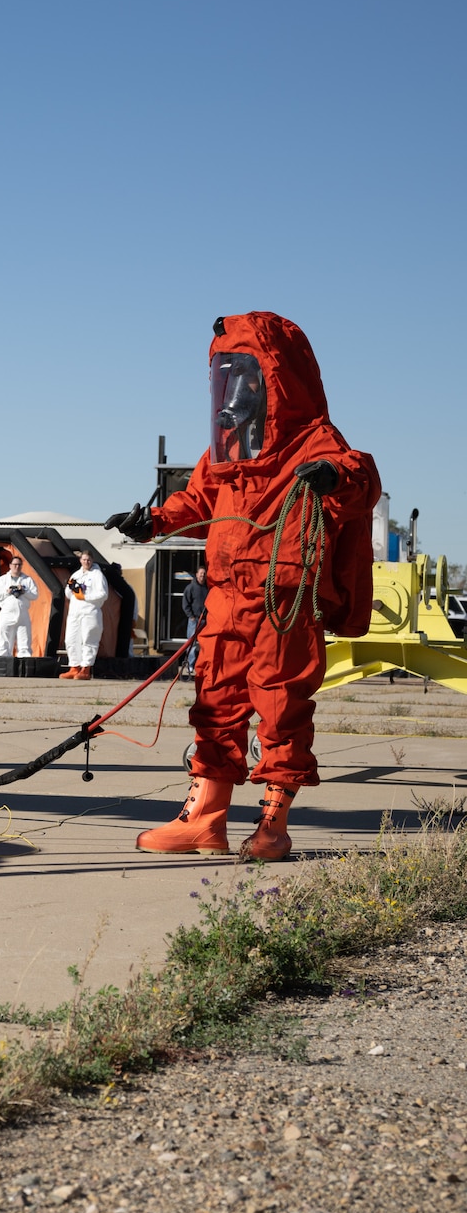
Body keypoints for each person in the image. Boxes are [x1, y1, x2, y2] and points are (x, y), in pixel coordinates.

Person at [105, 312, 380, 861]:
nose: (236, 387)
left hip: (284, 601)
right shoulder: (229, 448)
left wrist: (332, 479)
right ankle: (204, 820)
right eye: (228, 375)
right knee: (214, 703)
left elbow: (361, 480)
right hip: (227, 597)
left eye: (247, 374)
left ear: (276, 378)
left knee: (281, 706)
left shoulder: (315, 441)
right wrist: (152, 522)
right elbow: (197, 502)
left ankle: (273, 825)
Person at [59, 551, 108, 680]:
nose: (86, 562)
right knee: (71, 639)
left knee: (88, 639)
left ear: (92, 561)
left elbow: (103, 594)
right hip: (75, 612)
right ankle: (74, 667)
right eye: (84, 560)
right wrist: (73, 589)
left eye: (89, 560)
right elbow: (68, 594)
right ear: (80, 560)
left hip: (90, 612)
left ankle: (86, 668)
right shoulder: (76, 575)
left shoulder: (97, 575)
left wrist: (85, 596)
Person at [0, 555, 38, 658]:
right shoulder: (2, 580)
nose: (17, 567)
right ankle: (3, 659)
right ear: (10, 565)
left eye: (19, 565)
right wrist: (7, 591)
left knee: (24, 640)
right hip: (7, 613)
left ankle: (24, 662)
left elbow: (35, 595)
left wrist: (24, 591)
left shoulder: (27, 580)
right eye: (15, 564)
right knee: (5, 640)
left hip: (22, 613)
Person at [180, 565, 209, 674]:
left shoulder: (208, 588)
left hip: (205, 621)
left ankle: (202, 666)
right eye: (201, 573)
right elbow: (185, 603)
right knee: (191, 644)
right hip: (194, 620)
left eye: (204, 574)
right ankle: (190, 666)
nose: (202, 575)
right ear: (197, 575)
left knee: (204, 644)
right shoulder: (190, 588)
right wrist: (190, 616)